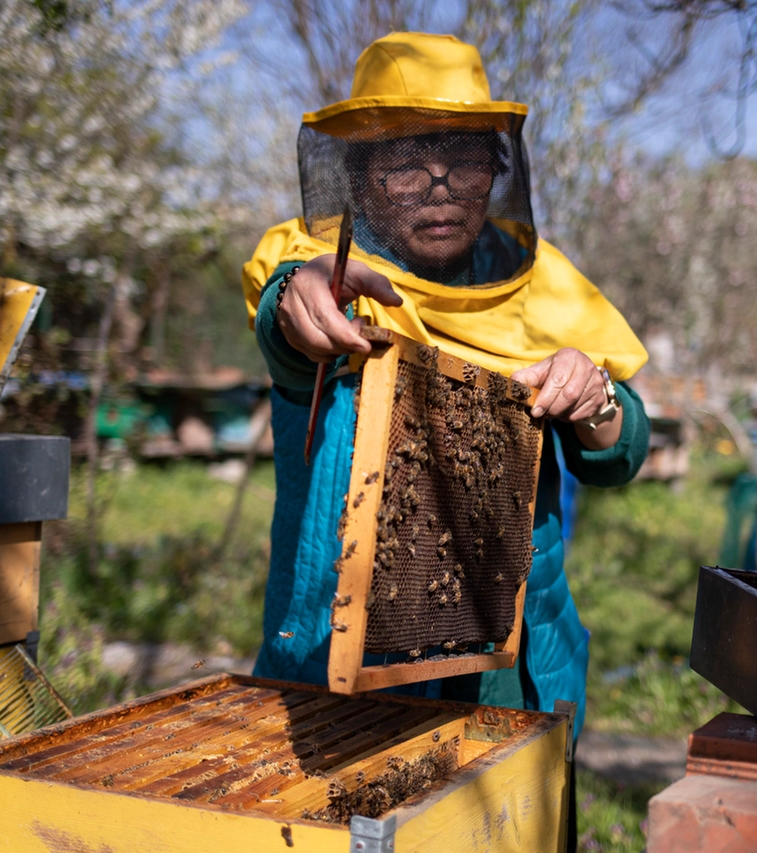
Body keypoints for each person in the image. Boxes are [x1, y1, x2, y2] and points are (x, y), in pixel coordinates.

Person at [242, 27, 648, 761]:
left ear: (495, 171)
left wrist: (596, 400)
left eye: (462, 161)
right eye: (403, 164)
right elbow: (291, 328)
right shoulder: (323, 276)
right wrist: (298, 307)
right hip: (342, 666)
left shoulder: (546, 288)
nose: (438, 188)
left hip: (519, 670)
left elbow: (618, 453)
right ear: (360, 177)